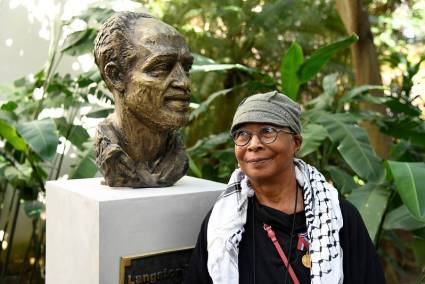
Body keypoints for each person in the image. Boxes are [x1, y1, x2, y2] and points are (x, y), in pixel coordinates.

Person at [183, 91, 386, 283]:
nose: (253, 144)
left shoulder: (339, 218)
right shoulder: (222, 223)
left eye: (268, 131)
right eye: (243, 134)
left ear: (296, 142)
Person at [93, 12, 194, 187]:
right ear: (116, 76)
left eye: (186, 68)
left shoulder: (176, 158)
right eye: (162, 67)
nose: (183, 81)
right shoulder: (109, 152)